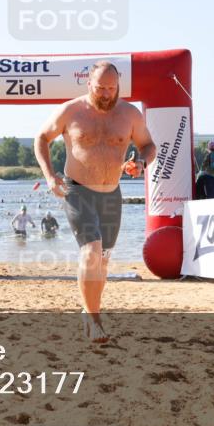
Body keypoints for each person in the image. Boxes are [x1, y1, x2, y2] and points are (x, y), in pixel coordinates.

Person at [35, 61, 156, 343]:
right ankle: (94, 320)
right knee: (91, 251)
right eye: (100, 88)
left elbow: (149, 146)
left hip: (111, 194)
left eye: (111, 89)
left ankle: (89, 310)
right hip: (77, 191)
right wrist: (50, 176)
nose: (105, 94)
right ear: (88, 84)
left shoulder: (130, 114)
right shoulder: (71, 111)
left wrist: (140, 163)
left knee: (102, 262)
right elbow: (41, 138)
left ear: (118, 86)